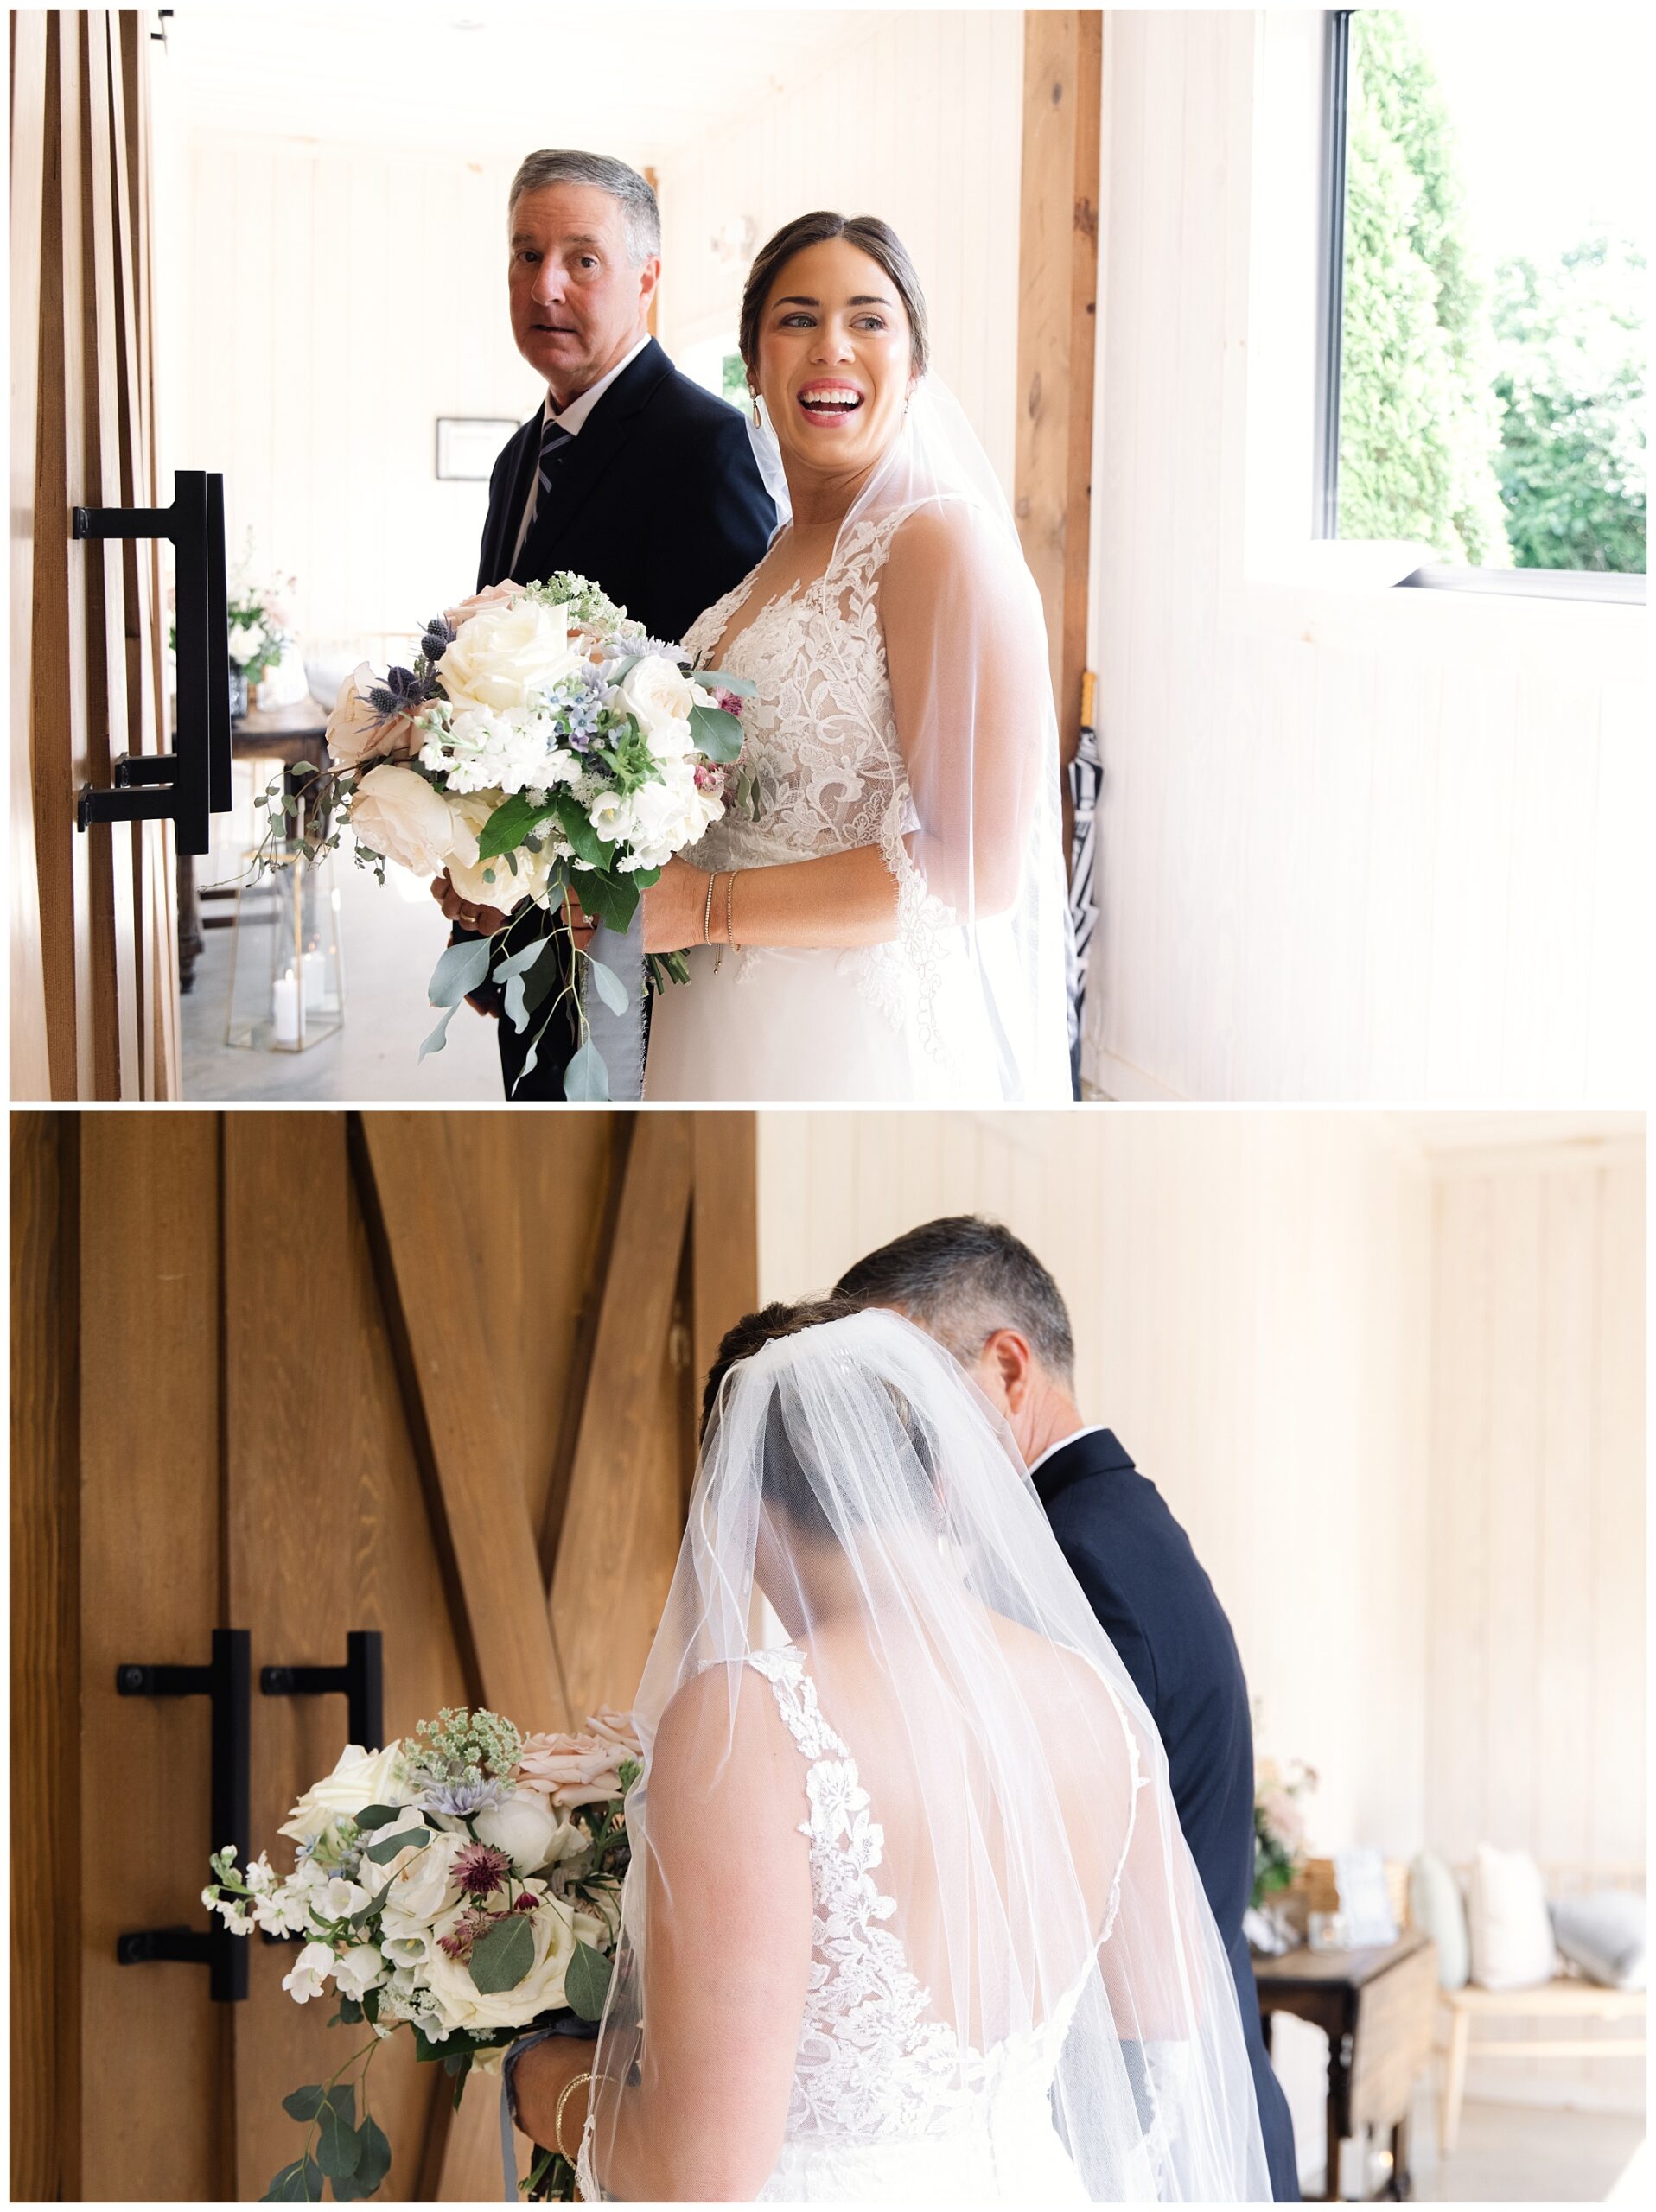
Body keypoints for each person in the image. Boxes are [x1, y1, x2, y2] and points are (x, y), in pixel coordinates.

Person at [508, 1303, 1270, 2202]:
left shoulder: (749, 1720)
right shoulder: (1093, 1701)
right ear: (945, 1485)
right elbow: (1159, 2028)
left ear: (735, 1501)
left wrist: (537, 2076)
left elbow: (699, 2178)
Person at [830, 1216, 1303, 2201]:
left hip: (1137, 2125)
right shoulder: (1112, 1524)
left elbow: (1032, 1885)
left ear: (1008, 1368)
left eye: (904, 1396)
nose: (887, 1443)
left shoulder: (1071, 1566)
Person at [639, 211, 1072, 1102]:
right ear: (753, 368)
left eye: (867, 319)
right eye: (796, 319)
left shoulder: (939, 544)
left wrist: (708, 909)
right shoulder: (777, 553)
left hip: (845, 1042)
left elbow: (978, 871)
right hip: (717, 1015)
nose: (830, 345)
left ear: (912, 368)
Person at [432, 149, 774, 1099]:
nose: (546, 284)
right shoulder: (516, 459)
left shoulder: (704, 449)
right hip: (522, 936)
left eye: (582, 259)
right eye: (525, 254)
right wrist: (480, 910)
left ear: (647, 280)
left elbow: (732, 720)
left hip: (632, 955)